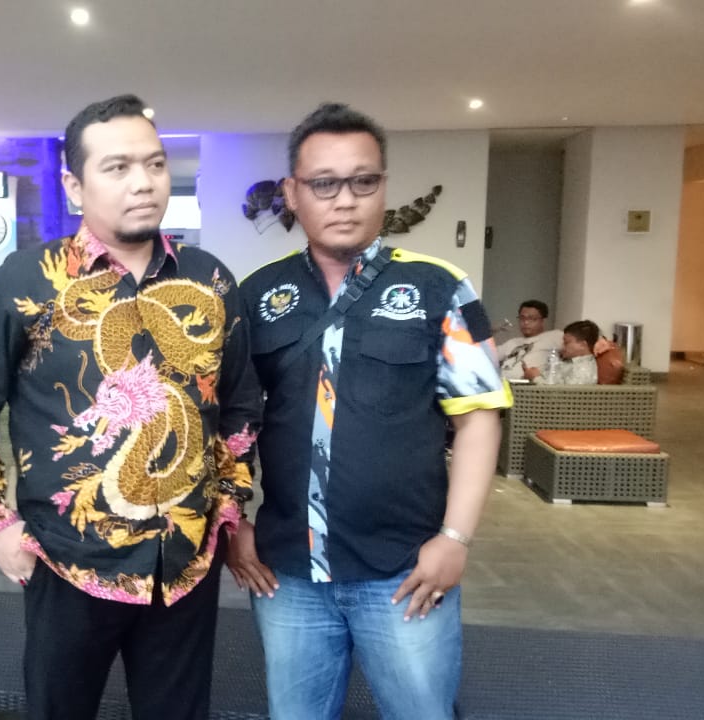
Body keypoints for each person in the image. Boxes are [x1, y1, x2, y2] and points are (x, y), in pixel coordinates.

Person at [0, 94, 263, 720]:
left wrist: (228, 505)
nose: (143, 182)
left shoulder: (210, 280)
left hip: (186, 563)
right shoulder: (29, 280)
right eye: (117, 167)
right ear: (74, 184)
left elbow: (240, 406)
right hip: (67, 563)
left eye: (155, 164)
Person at [226, 102, 511, 720]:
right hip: (288, 571)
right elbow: (232, 423)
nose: (346, 200)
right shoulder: (257, 294)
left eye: (364, 181)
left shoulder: (440, 287)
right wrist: (233, 522)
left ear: (383, 186)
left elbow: (479, 419)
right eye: (324, 184)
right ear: (292, 193)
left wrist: (455, 539)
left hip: (404, 570)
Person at [498, 300, 564, 380]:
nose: (525, 322)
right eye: (522, 318)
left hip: (532, 385)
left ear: (543, 321)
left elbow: (575, 350)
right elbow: (488, 356)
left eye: (532, 318)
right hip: (503, 384)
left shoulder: (555, 336)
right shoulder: (512, 342)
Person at [524, 319, 600, 384]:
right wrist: (532, 372)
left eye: (566, 342)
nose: (562, 346)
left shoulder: (584, 370)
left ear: (582, 345)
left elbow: (562, 395)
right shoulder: (567, 361)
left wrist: (535, 378)